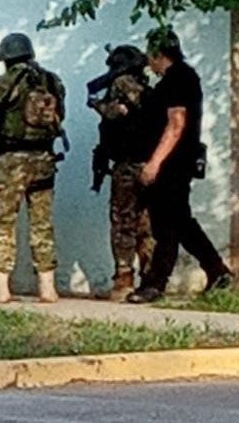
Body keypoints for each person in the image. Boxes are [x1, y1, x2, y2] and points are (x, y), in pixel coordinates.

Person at [128, 28, 234, 304]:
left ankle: (155, 284)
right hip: (176, 163)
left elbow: (176, 125)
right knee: (183, 224)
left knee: (166, 227)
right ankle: (217, 271)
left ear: (158, 54)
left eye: (150, 55)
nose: (148, 63)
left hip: (172, 165)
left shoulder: (178, 79)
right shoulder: (179, 78)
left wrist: (154, 163)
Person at [0, 33, 65, 304]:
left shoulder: (4, 83)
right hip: (45, 159)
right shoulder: (52, 81)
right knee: (42, 223)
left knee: (3, 222)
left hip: (12, 160)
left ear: (5, 58)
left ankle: (0, 285)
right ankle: (47, 287)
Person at [87, 45, 156, 301]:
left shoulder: (121, 83)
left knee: (123, 221)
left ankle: (123, 280)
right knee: (146, 223)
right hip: (148, 164)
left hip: (128, 165)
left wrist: (98, 106)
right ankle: (150, 277)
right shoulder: (147, 88)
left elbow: (115, 114)